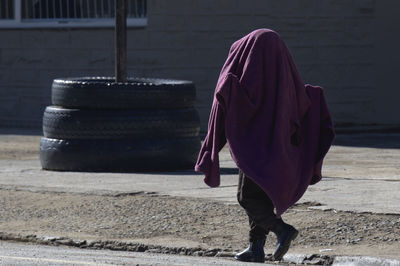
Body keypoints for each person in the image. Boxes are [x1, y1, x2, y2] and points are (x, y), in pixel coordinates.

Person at [195, 29, 335, 262]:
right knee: (261, 198)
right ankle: (255, 247)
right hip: (281, 151)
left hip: (256, 148)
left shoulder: (252, 73)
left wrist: (228, 87)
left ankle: (282, 230)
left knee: (246, 198)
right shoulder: (285, 78)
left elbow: (242, 100)